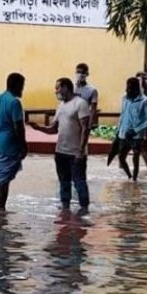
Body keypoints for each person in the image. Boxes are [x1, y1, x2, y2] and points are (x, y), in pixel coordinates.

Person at [29, 78, 91, 210]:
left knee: (79, 182)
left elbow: (85, 129)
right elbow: (54, 129)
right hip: (61, 151)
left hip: (76, 153)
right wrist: (39, 128)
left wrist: (80, 151)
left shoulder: (80, 104)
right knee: (63, 182)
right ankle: (65, 209)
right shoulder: (61, 106)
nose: (55, 91)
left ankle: (84, 211)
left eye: (57, 88)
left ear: (66, 88)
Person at [0, 73, 28, 211]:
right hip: (10, 144)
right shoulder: (14, 102)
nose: (22, 90)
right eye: (22, 86)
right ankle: (1, 207)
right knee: (4, 179)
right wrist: (23, 145)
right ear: (16, 85)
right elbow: (19, 127)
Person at [117, 77, 147, 182]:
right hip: (124, 133)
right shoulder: (125, 98)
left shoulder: (145, 101)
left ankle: (134, 179)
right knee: (121, 157)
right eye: (127, 88)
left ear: (136, 88)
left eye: (130, 88)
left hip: (137, 135)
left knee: (136, 157)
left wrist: (136, 130)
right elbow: (123, 114)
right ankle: (129, 176)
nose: (128, 90)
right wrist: (118, 130)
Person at [74, 63, 98, 129]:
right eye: (78, 72)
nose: (80, 75)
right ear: (75, 73)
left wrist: (90, 124)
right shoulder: (71, 88)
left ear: (87, 74)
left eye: (83, 72)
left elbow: (93, 109)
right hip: (71, 120)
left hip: (83, 120)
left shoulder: (92, 90)